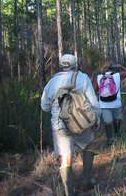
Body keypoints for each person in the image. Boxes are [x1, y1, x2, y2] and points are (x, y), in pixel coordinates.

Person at [41, 54, 102, 196]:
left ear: (62, 65)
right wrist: (96, 119)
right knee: (89, 144)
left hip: (59, 123)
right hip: (79, 122)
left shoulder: (52, 81)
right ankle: (87, 182)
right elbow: (93, 102)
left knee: (65, 156)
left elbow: (44, 106)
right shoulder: (82, 77)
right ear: (75, 65)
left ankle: (69, 193)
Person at [93, 63, 126, 145]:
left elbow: (94, 89)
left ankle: (109, 139)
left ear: (107, 69)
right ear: (115, 69)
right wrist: (121, 66)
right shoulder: (117, 75)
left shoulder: (99, 77)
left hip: (103, 103)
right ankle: (117, 133)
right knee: (117, 118)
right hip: (116, 102)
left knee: (107, 121)